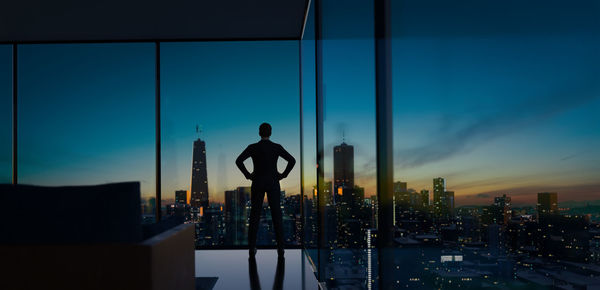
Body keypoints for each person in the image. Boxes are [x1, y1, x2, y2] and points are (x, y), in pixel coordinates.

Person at [236, 123, 295, 257]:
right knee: (277, 215)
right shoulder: (276, 147)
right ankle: (280, 249)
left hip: (257, 182)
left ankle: (252, 248)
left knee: (254, 216)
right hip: (273, 182)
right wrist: (283, 174)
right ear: (271, 132)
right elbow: (292, 160)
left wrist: (248, 175)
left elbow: (238, 161)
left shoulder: (253, 147)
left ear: (259, 133)